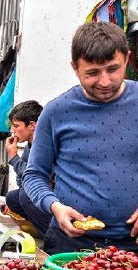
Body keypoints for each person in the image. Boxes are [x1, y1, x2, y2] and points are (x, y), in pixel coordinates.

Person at [23, 21, 138, 254]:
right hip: (71, 245)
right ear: (75, 68)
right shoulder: (56, 112)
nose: (104, 81)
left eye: (113, 69)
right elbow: (34, 175)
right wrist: (54, 207)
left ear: (126, 59)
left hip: (132, 246)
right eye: (92, 73)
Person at [4, 101, 52, 238]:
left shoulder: (45, 145)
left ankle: (52, 236)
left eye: (16, 126)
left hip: (55, 194)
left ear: (32, 125)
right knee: (13, 198)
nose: (13, 131)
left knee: (26, 196)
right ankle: (40, 230)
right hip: (42, 193)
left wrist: (13, 157)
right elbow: (23, 181)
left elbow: (36, 176)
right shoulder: (28, 147)